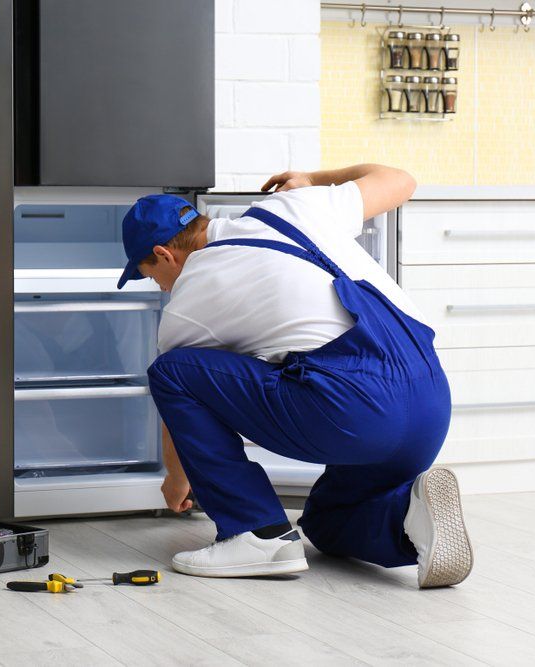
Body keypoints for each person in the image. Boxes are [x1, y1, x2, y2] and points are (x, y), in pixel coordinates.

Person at [115, 164, 472, 588]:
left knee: (171, 372)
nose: (160, 288)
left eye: (149, 276)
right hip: (429, 398)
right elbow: (401, 180)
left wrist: (177, 480)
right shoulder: (295, 205)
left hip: (357, 411)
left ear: (163, 254)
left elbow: (180, 403)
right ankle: (410, 520)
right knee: (326, 522)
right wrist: (313, 179)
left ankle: (258, 533)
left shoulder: (191, 297)